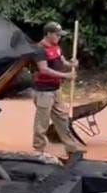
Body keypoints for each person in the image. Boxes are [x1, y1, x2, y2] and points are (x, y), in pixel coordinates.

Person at [32, 21, 84, 155]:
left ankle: (71, 148)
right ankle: (39, 149)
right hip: (43, 91)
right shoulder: (39, 49)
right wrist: (66, 75)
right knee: (42, 121)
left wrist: (72, 64)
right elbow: (43, 69)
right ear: (48, 34)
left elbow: (63, 62)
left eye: (60, 35)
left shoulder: (56, 47)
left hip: (56, 89)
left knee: (62, 118)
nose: (59, 37)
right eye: (57, 35)